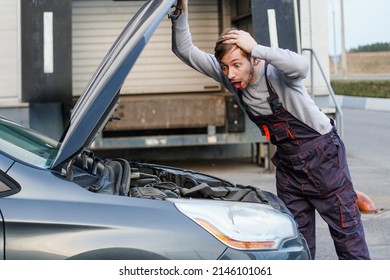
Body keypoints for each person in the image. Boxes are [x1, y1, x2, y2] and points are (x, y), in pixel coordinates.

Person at [169, 0, 370, 260]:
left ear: (253, 58)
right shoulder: (232, 78)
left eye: (236, 65)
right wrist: (180, 14)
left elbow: (301, 66)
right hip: (289, 167)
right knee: (295, 241)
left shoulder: (277, 74)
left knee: (347, 235)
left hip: (324, 161)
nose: (230, 74)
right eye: (224, 67)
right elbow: (184, 50)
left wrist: (257, 47)